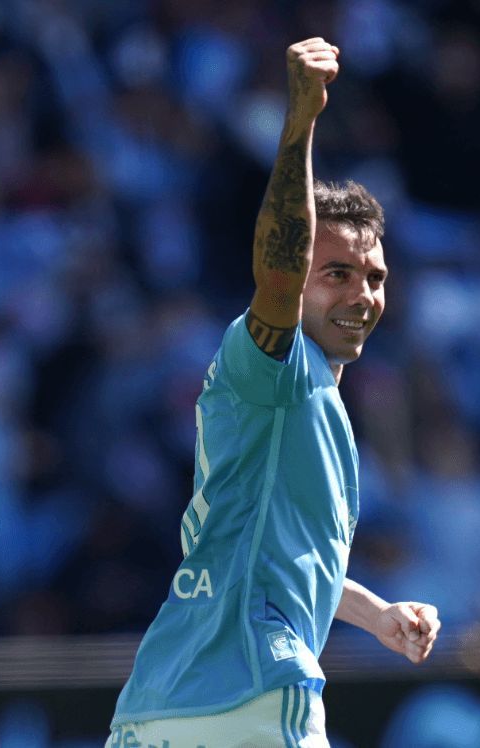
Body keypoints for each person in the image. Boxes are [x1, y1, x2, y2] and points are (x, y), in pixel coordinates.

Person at [108, 37, 441, 748]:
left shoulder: (307, 399)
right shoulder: (278, 364)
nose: (363, 294)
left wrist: (376, 614)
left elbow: (275, 558)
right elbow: (279, 273)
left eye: (375, 276)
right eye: (339, 273)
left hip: (158, 706)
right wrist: (301, 124)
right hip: (253, 692)